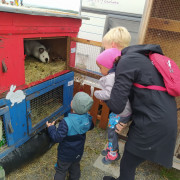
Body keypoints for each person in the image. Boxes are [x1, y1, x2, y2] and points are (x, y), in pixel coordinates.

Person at [102, 26, 177, 180]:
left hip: (152, 125)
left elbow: (117, 105)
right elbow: (141, 95)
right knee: (129, 162)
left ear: (114, 46)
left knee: (128, 165)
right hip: (161, 120)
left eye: (104, 48)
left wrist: (102, 94)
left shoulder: (127, 61)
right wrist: (127, 119)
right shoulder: (143, 58)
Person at [94, 48, 132, 165]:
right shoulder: (118, 74)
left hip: (122, 112)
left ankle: (113, 153)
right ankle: (111, 147)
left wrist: (96, 93)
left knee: (112, 131)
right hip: (121, 110)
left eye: (100, 67)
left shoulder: (111, 77)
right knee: (111, 128)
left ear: (108, 66)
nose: (100, 70)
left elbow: (108, 94)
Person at [46, 92, 94, 180]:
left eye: (73, 100)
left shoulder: (66, 122)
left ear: (72, 105)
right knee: (75, 167)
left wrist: (51, 128)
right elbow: (91, 127)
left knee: (61, 170)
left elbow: (57, 138)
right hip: (78, 152)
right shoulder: (88, 118)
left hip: (65, 154)